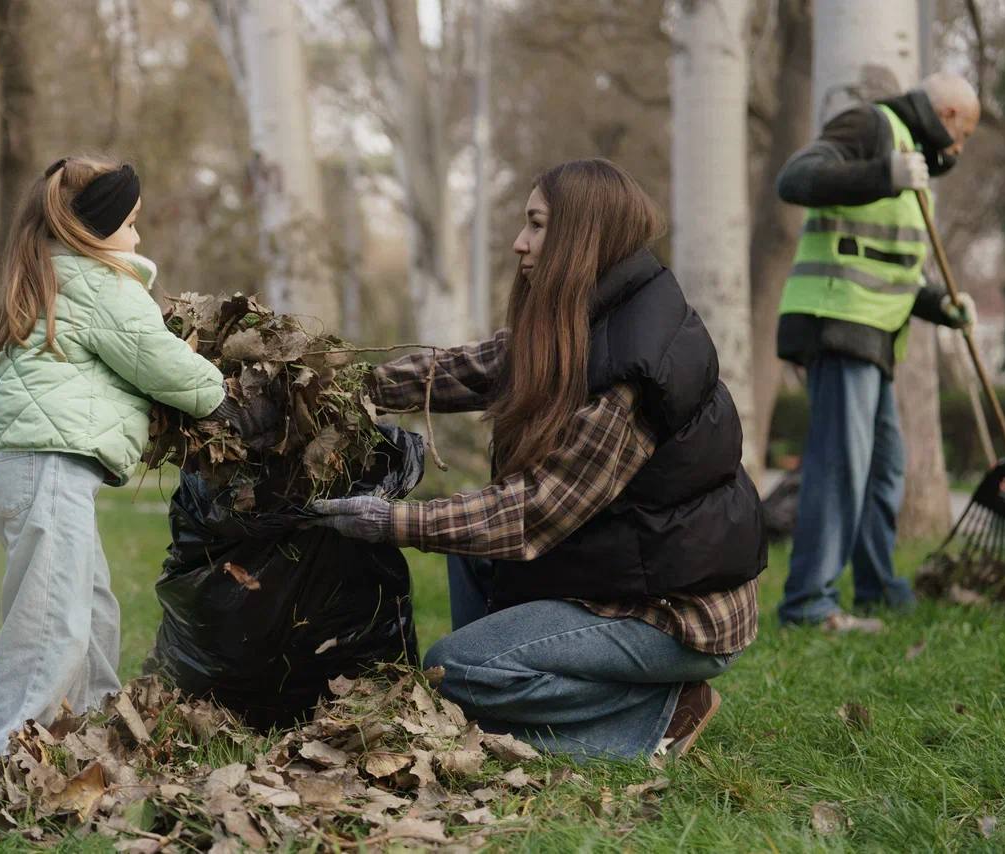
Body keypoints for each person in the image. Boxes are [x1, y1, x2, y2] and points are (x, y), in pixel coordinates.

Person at [310, 159, 765, 761]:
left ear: (583, 235)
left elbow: (533, 512)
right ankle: (498, 703)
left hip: (676, 615)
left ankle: (662, 712)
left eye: (538, 225)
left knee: (455, 670)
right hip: (626, 573)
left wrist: (390, 521)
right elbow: (473, 367)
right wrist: (340, 388)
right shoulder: (595, 314)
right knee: (469, 562)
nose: (520, 242)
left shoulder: (634, 372)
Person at [0, 155, 236, 763]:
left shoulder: (54, 276)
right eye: (132, 223)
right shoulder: (100, 283)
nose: (138, 237)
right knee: (48, 625)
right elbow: (158, 360)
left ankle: (89, 733)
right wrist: (224, 394)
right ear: (97, 228)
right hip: (49, 467)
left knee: (87, 607)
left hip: (35, 469)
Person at [773, 72, 980, 631]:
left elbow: (889, 268)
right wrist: (881, 174)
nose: (958, 151)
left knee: (884, 466)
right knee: (841, 466)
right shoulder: (870, 124)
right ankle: (808, 604)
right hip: (837, 320)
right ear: (950, 115)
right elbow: (794, 179)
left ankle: (877, 589)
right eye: (963, 135)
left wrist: (942, 305)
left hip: (873, 334)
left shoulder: (913, 162)